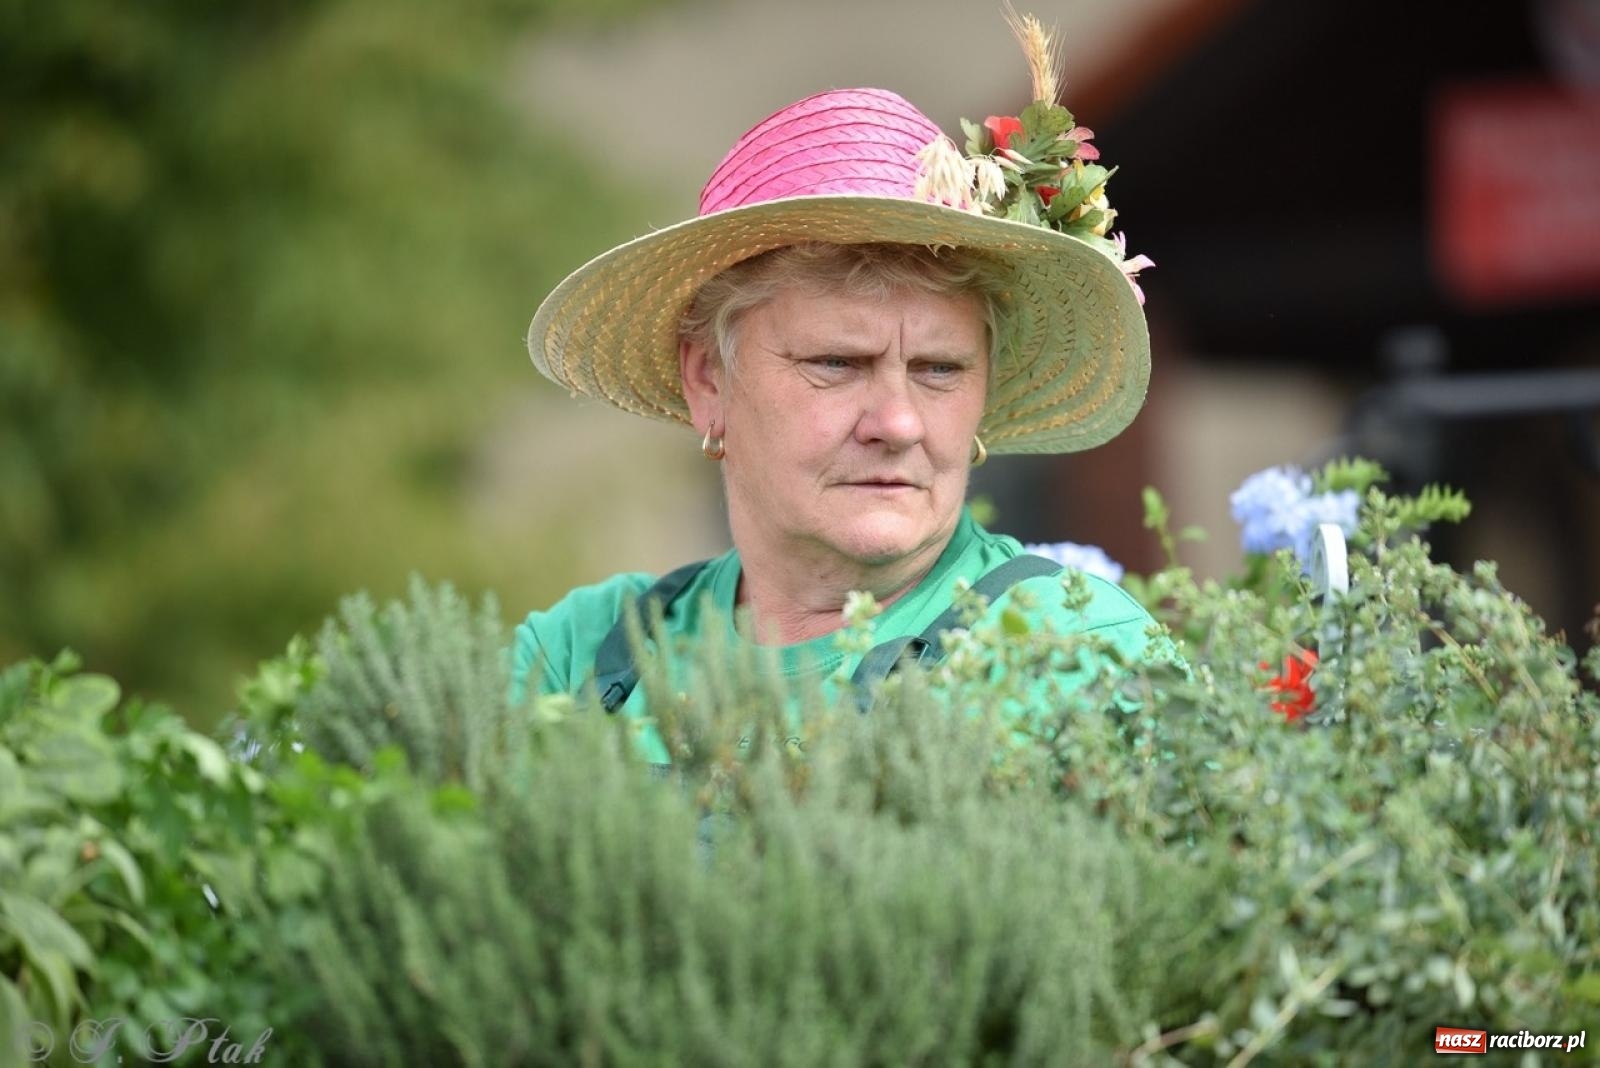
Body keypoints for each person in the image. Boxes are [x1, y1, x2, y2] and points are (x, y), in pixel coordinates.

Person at [510, 21, 1166, 765]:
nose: (896, 421)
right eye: (837, 363)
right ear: (707, 380)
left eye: (939, 369)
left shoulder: (1081, 658)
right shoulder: (585, 655)